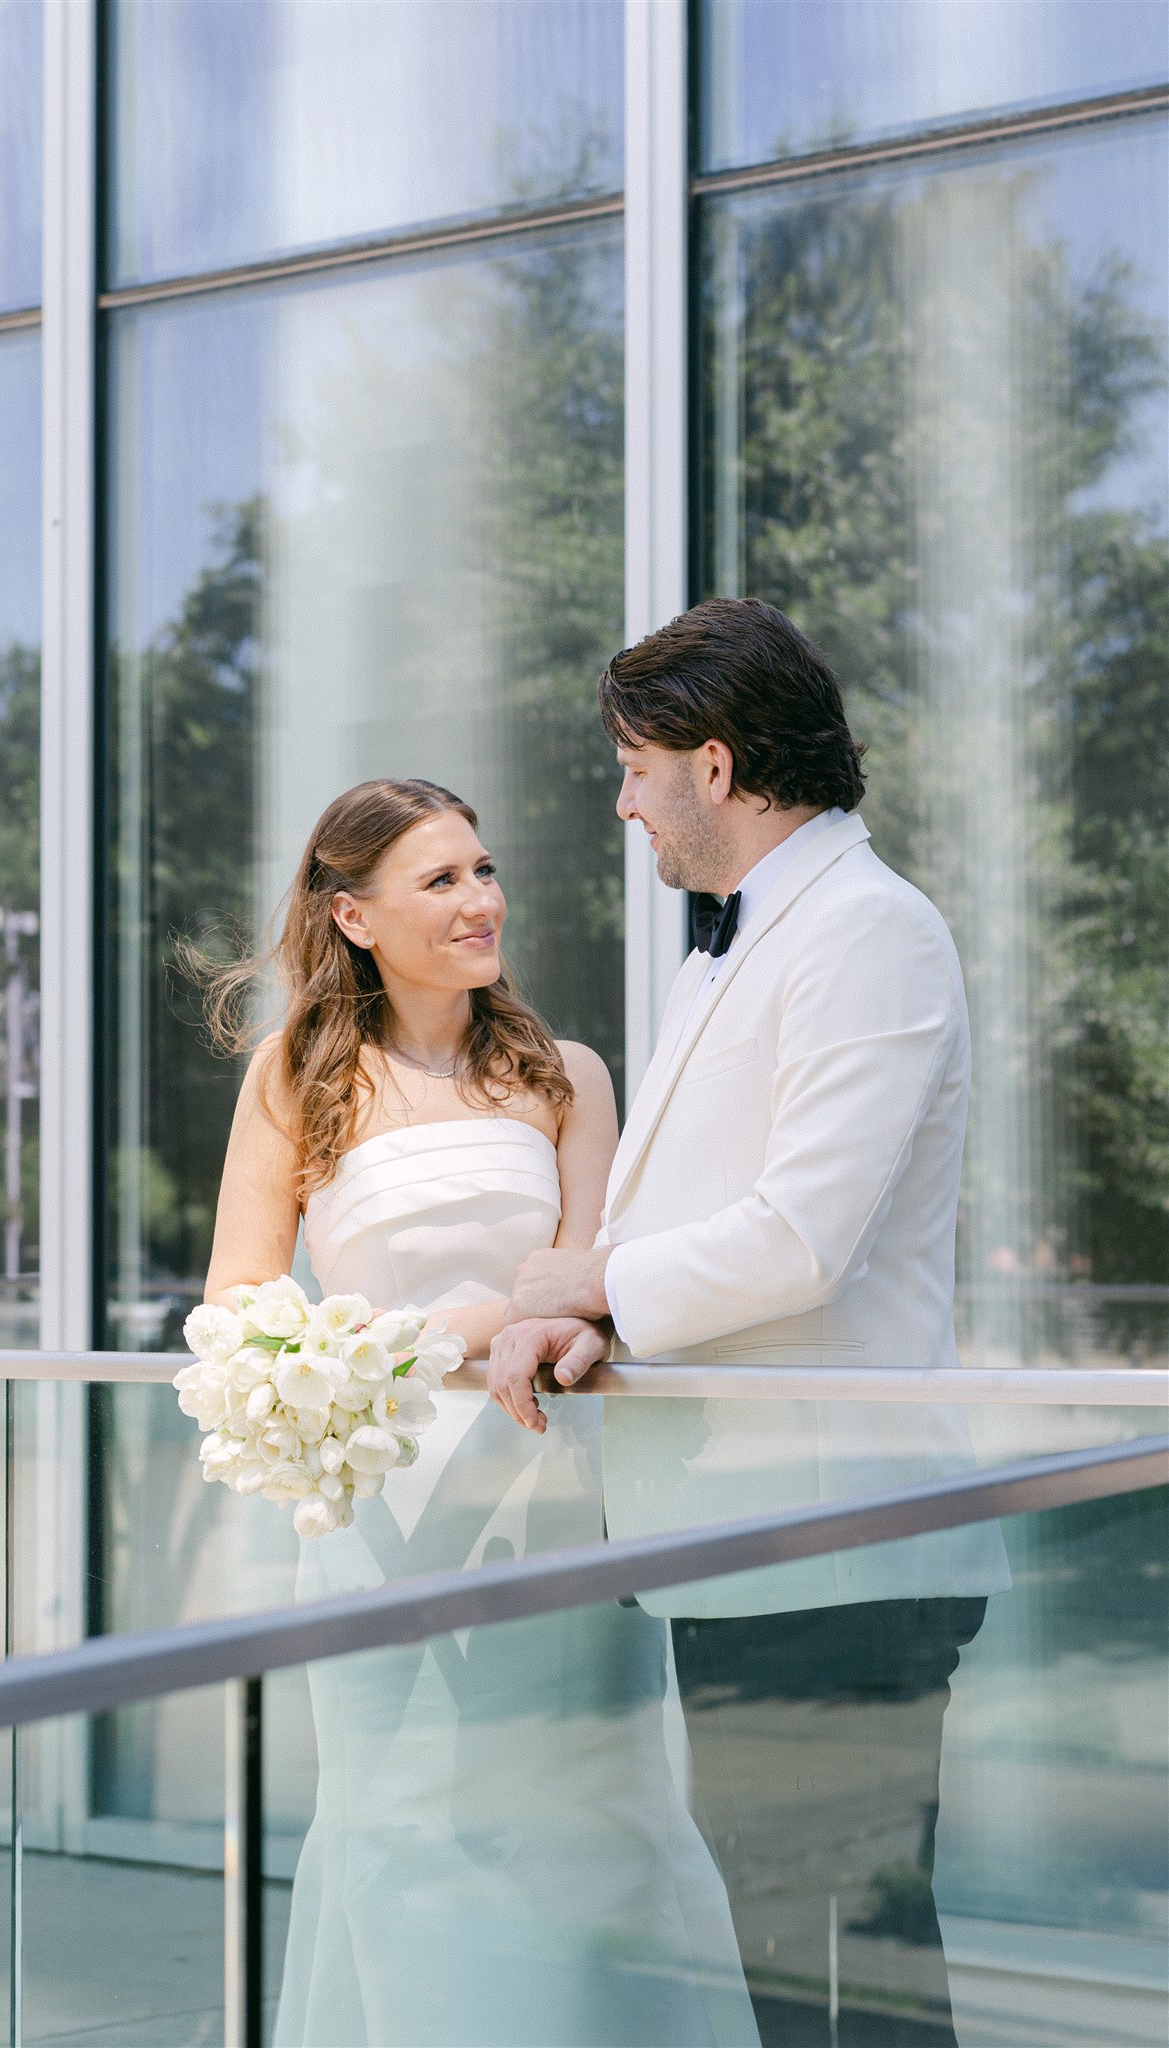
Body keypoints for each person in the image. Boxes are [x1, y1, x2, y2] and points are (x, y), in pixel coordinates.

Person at [489, 599, 1010, 2047]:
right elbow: (709, 1224)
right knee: (802, 1964)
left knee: (849, 1978)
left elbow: (803, 1235)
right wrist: (616, 1323)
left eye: (633, 767)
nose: (621, 800)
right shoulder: (742, 940)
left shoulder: (870, 930)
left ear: (713, 767)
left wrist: (580, 1282)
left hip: (836, 1547)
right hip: (751, 1546)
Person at [203, 777, 758, 2048]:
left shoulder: (567, 1076)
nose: (481, 900)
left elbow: (585, 1288)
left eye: (484, 869)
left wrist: (485, 1322)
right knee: (395, 1824)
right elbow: (237, 1305)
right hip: (375, 1510)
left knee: (592, 1821)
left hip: (554, 1492)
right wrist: (441, 1333)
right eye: (441, 879)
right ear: (353, 914)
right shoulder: (295, 1080)